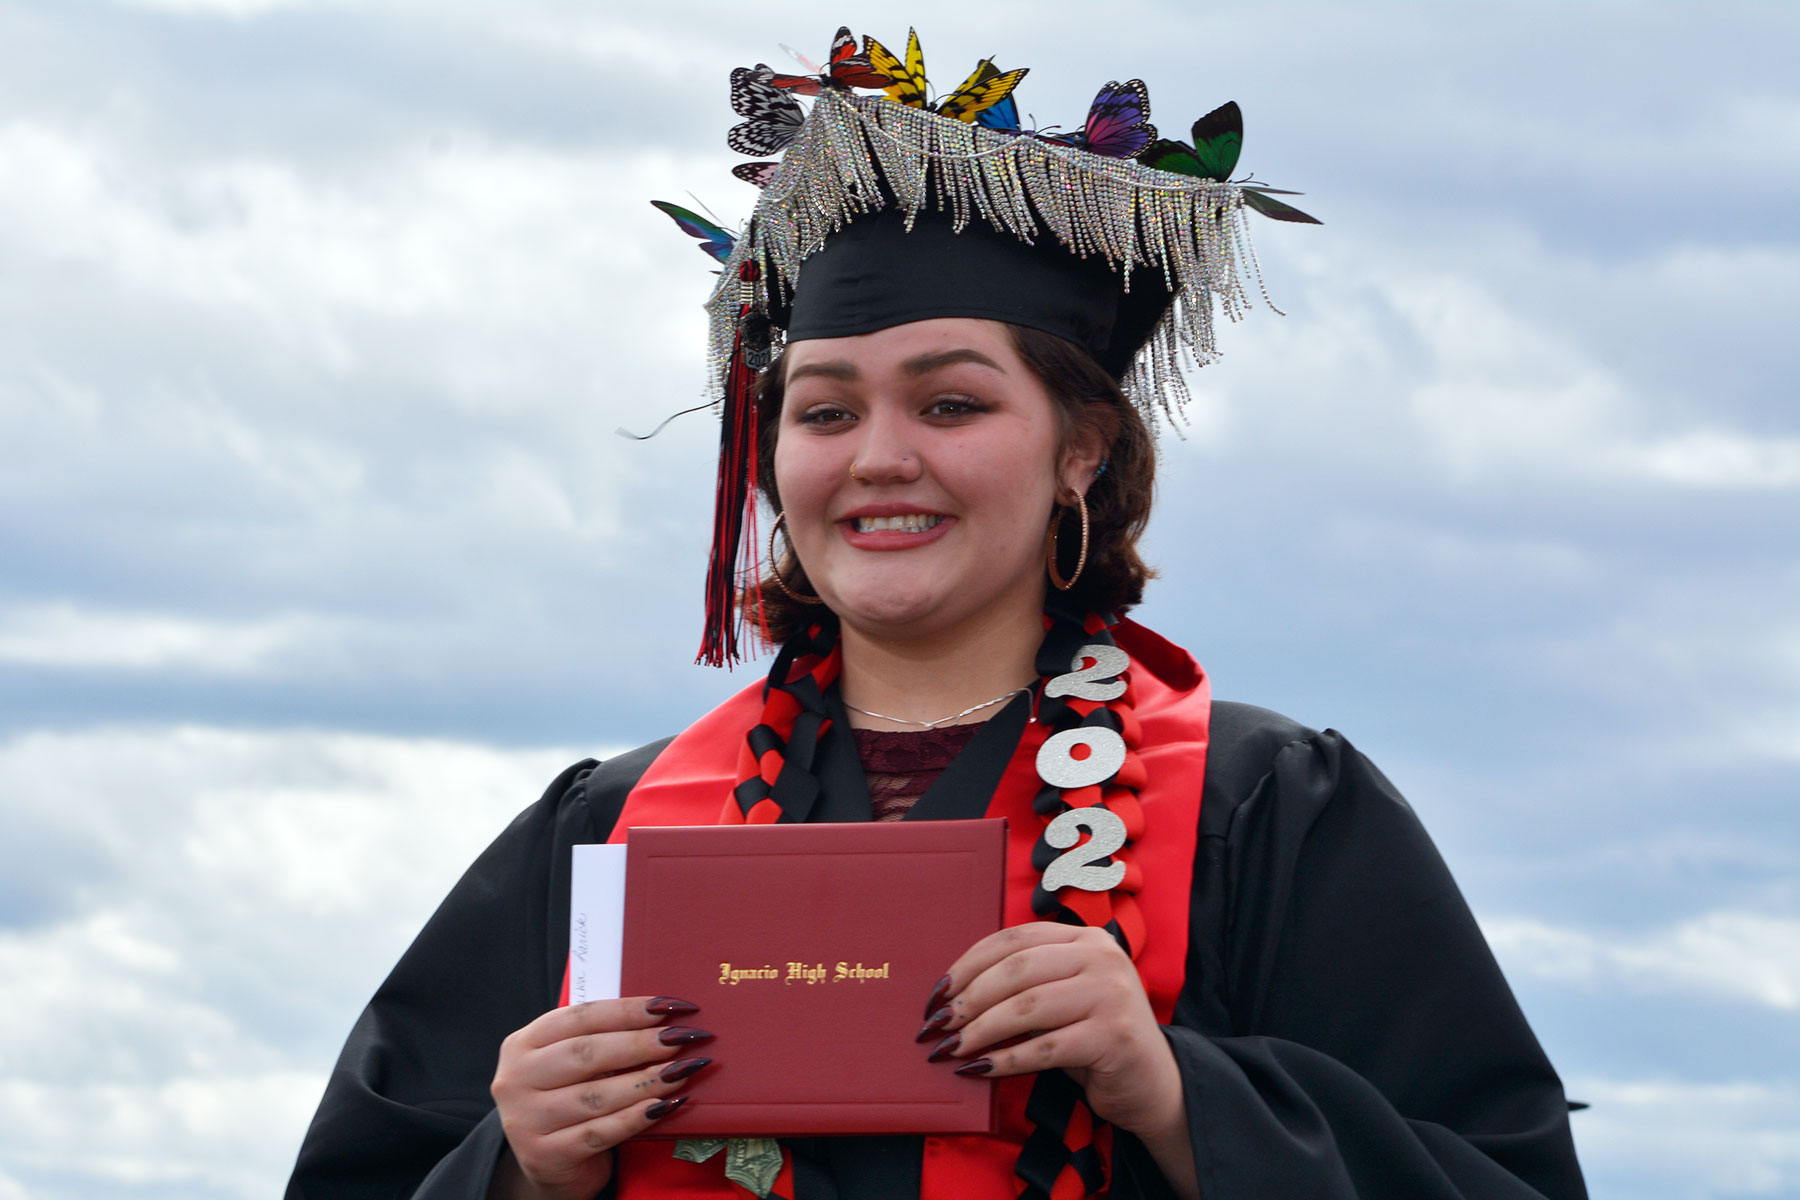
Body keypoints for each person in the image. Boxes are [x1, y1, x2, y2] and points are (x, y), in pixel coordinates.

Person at [287, 31, 1588, 1200]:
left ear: (1082, 449)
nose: (879, 457)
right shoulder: (607, 831)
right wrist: (515, 1167)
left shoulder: (1264, 812)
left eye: (951, 405)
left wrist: (1181, 1097)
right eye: (827, 409)